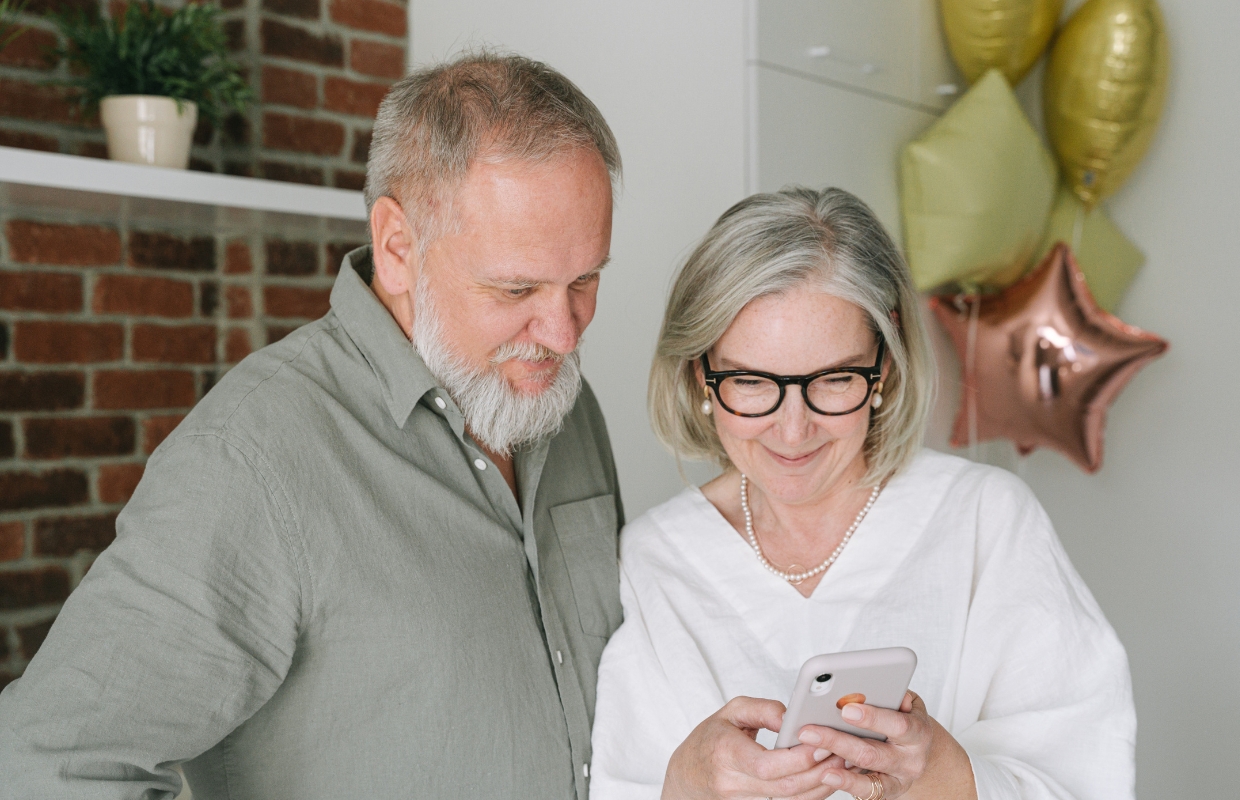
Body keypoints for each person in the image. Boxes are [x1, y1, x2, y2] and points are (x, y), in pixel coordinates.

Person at [0, 52, 625, 800]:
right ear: (398, 248)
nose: (563, 333)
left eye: (585, 280)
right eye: (516, 288)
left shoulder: (565, 406)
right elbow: (46, 768)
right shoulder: (250, 458)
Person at [589, 187, 1135, 800]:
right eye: (750, 382)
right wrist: (684, 787)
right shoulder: (654, 561)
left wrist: (945, 777)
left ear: (885, 367)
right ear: (701, 376)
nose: (793, 431)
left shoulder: (986, 522)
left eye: (834, 380)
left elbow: (1087, 777)